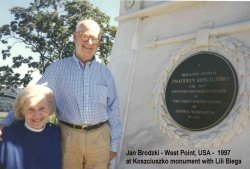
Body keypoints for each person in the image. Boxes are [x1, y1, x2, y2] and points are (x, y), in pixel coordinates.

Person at [0, 19, 122, 169]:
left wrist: (114, 145)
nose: (90, 42)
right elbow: (30, 98)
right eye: (85, 36)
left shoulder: (106, 73)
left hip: (100, 137)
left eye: (95, 39)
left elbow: (114, 109)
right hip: (68, 136)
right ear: (74, 36)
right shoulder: (57, 69)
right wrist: (4, 123)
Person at [0, 84, 61, 169]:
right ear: (22, 111)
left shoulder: (56, 133)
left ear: (50, 109)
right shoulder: (6, 136)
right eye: (30, 109)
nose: (37, 115)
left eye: (42, 108)